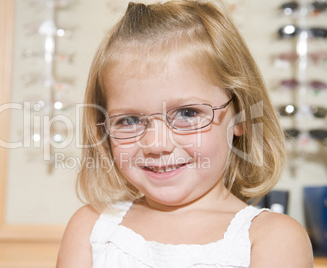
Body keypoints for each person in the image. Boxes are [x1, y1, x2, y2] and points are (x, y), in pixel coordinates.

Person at [57, 1, 313, 267]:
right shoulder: (90, 229)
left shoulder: (272, 239)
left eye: (187, 113)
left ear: (242, 116)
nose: (157, 144)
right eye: (130, 120)